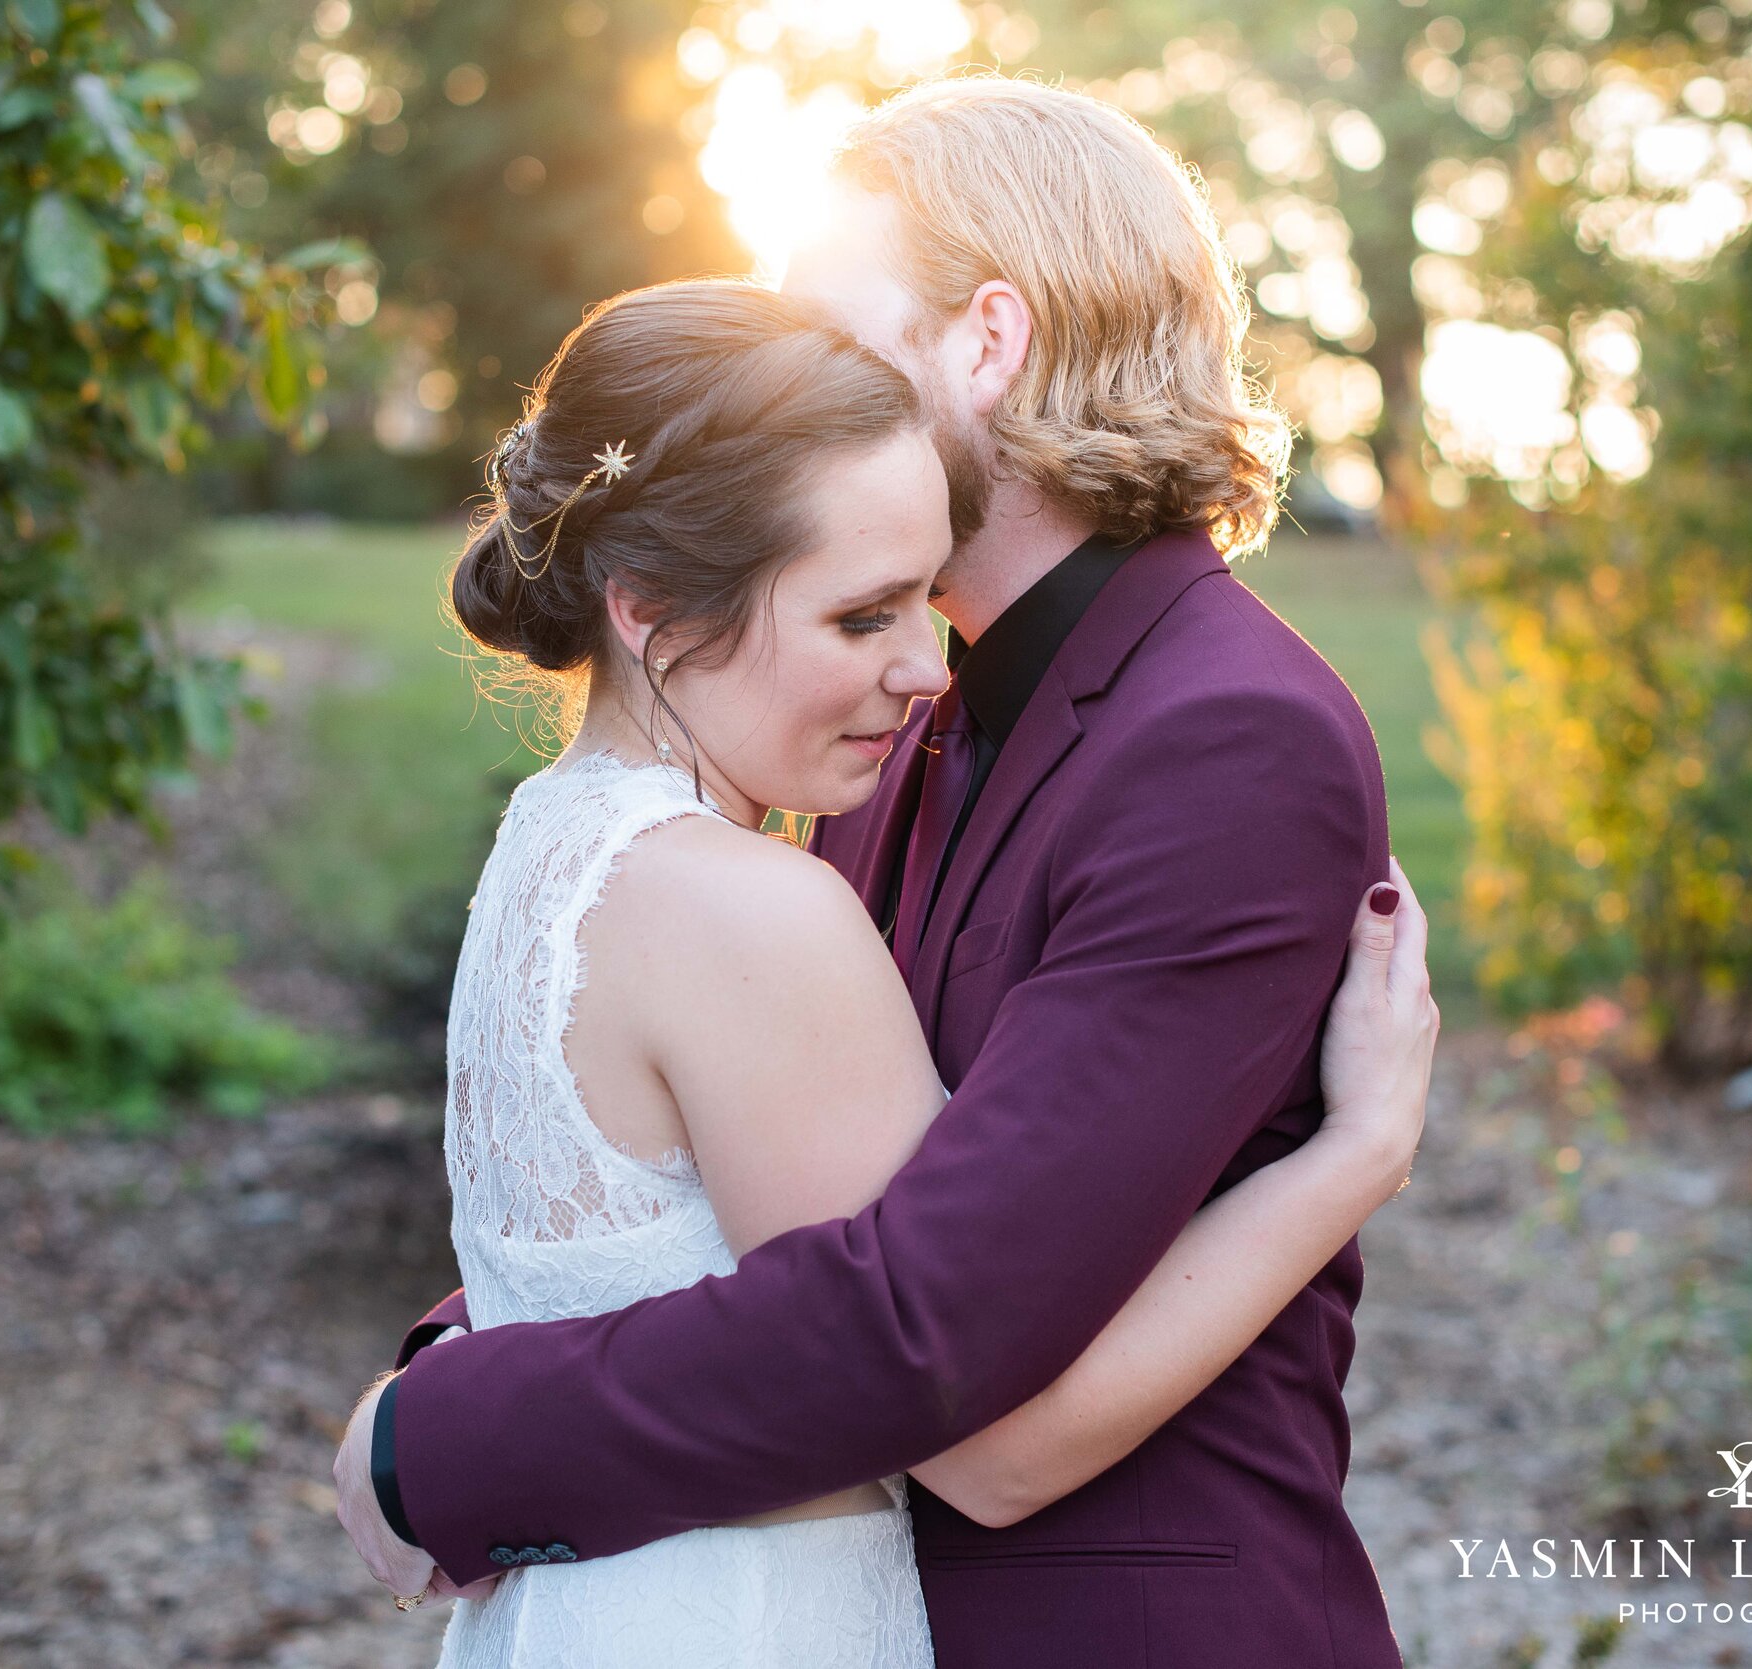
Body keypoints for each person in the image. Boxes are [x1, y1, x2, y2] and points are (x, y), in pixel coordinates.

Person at [339, 76, 1435, 1669]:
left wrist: (452, 1441)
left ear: (984, 342)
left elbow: (933, 1341)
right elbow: (759, 1158)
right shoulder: (881, 702)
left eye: (827, 330)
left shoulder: (1226, 739)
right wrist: (476, 1330)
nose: (783, 374)